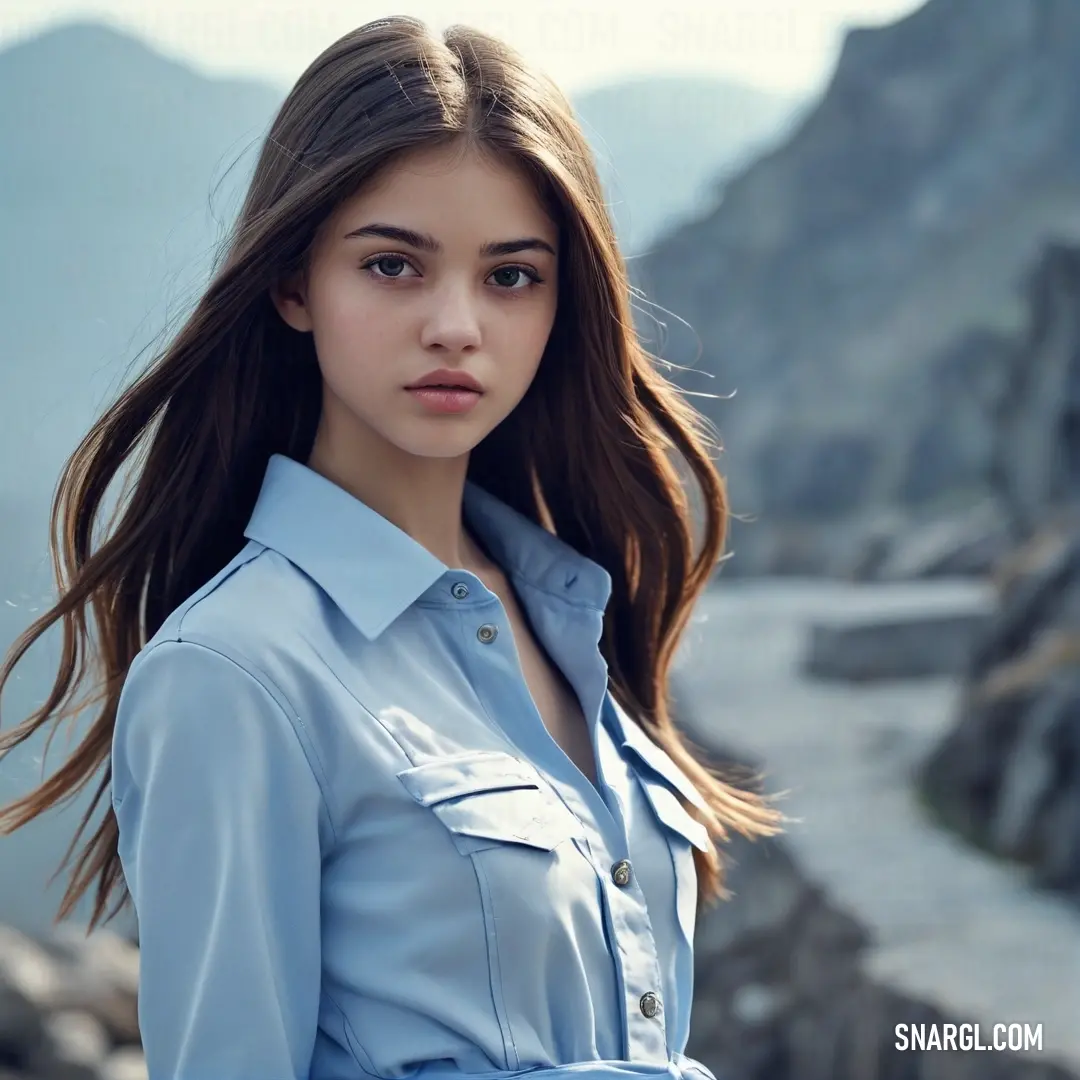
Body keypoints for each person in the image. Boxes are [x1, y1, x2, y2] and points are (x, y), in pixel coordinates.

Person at [0, 15, 782, 1080]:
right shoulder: (235, 675)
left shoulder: (569, 613)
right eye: (392, 266)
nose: (457, 325)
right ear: (293, 284)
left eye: (511, 276)